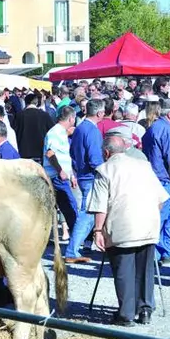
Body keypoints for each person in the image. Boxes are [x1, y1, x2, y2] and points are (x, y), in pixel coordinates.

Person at [89, 135, 170, 326]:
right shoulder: (143, 165)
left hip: (122, 227)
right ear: (124, 149)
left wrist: (98, 231)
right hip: (148, 224)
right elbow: (161, 200)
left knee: (124, 270)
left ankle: (126, 314)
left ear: (106, 152)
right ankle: (145, 310)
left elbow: (100, 206)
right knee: (145, 269)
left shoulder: (104, 170)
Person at [142, 98, 170, 264]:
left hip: (156, 176)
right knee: (163, 216)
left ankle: (165, 250)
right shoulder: (166, 130)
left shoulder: (153, 128)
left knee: (169, 214)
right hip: (164, 178)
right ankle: (156, 253)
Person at [64, 99, 104, 263]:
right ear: (100, 113)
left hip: (82, 174)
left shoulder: (79, 128)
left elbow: (72, 152)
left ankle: (74, 249)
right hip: (91, 176)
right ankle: (72, 251)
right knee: (87, 214)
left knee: (88, 213)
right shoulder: (92, 131)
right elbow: (95, 158)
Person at [43, 106, 80, 232]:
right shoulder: (56, 132)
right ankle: (76, 239)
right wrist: (60, 171)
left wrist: (71, 175)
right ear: (71, 119)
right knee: (71, 207)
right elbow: (50, 153)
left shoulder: (61, 132)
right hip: (57, 177)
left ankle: (75, 238)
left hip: (61, 176)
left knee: (70, 207)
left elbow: (62, 156)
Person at [13, 93, 54, 162]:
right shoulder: (44, 115)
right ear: (37, 102)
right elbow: (52, 131)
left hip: (23, 153)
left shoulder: (19, 115)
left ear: (25, 102)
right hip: (40, 153)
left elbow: (14, 132)